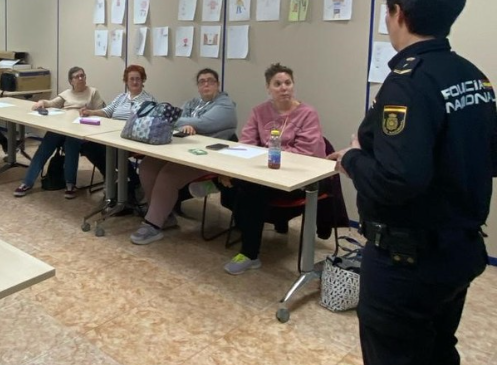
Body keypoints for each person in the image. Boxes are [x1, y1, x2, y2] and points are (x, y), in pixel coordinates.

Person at [324, 0, 497, 365]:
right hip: (455, 252)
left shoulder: (407, 81)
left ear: (397, 12)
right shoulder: (473, 78)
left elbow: (398, 178)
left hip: (407, 258)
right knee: (436, 364)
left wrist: (351, 158)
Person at [224, 63, 325, 274]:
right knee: (229, 182)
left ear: (293, 85)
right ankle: (249, 232)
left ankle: (250, 253)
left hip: (300, 177)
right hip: (265, 172)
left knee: (250, 190)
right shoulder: (260, 111)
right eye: (277, 84)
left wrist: (270, 152)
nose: (284, 88)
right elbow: (247, 143)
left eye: (288, 83)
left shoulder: (307, 113)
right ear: (268, 88)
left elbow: (305, 153)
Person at [130, 68, 237, 244]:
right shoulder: (192, 103)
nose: (206, 84)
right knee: (147, 166)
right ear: (198, 86)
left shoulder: (225, 105)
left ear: (218, 84)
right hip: (183, 150)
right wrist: (183, 124)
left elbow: (204, 123)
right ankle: (164, 215)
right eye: (202, 81)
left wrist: (177, 121)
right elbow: (180, 120)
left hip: (209, 155)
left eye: (210, 80)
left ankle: (153, 224)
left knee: (168, 175)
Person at [13, 66, 105, 200]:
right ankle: (27, 182)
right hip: (63, 126)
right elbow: (51, 103)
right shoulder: (66, 94)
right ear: (71, 81)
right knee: (45, 146)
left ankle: (70, 183)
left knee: (71, 144)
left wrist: (90, 112)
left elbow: (103, 112)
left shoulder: (93, 92)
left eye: (83, 76)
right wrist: (41, 102)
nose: (81, 79)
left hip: (81, 129)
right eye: (77, 77)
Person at [79, 63, 155, 183]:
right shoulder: (121, 97)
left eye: (138, 79)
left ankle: (135, 181)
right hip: (112, 135)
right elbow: (107, 112)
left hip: (132, 139)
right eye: (131, 79)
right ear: (126, 81)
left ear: (142, 80)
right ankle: (110, 175)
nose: (135, 82)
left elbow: (147, 123)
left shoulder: (149, 101)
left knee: (113, 151)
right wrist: (90, 112)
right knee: (86, 146)